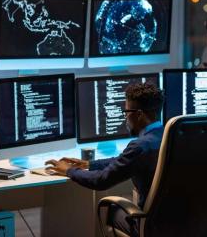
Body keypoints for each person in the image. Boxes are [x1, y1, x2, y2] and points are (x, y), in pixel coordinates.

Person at [45, 83, 164, 236]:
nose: (125, 118)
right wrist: (89, 164)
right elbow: (124, 159)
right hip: (182, 224)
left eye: (126, 112)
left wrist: (69, 170)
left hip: (149, 228)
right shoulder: (170, 137)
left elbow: (101, 180)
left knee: (109, 211)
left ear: (139, 114)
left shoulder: (140, 146)